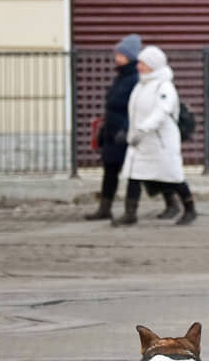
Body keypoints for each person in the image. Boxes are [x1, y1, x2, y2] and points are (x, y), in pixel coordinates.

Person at [115, 46, 197, 226]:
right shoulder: (141, 85)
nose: (139, 66)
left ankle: (190, 209)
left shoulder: (164, 86)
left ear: (153, 65)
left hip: (161, 143)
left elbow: (162, 111)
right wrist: (129, 132)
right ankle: (130, 214)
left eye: (143, 63)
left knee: (173, 177)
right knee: (134, 176)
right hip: (141, 142)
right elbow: (135, 113)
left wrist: (143, 129)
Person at [84, 34, 141, 220]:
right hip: (112, 131)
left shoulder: (135, 79)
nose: (116, 57)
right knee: (110, 171)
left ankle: (168, 201)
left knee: (139, 173)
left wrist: (127, 129)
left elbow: (136, 107)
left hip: (126, 132)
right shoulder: (120, 77)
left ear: (130, 56)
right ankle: (104, 208)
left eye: (121, 54)